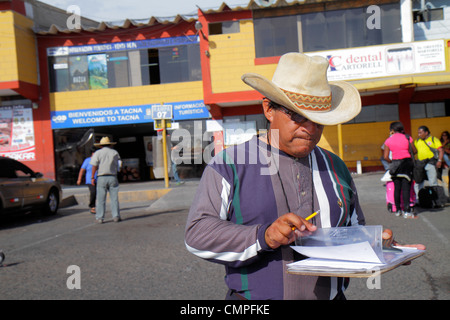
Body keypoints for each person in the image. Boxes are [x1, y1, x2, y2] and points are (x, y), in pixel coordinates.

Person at [184, 53, 425, 300]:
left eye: (319, 121)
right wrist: (264, 236)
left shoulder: (336, 167)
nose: (309, 129)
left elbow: (353, 230)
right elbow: (198, 234)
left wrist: (378, 246)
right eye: (297, 116)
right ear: (268, 108)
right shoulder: (229, 165)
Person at [383, 122, 417, 218]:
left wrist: (392, 163)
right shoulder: (407, 138)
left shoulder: (388, 140)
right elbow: (414, 151)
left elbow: (385, 157)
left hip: (395, 164)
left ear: (392, 130)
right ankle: (407, 210)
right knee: (406, 188)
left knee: (397, 188)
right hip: (407, 164)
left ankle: (398, 210)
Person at [90, 137, 122, 223]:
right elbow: (118, 165)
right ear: (110, 144)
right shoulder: (114, 152)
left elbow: (94, 166)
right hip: (112, 176)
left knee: (101, 199)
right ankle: (116, 216)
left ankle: (100, 217)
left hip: (101, 177)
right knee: (114, 198)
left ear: (100, 145)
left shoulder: (98, 153)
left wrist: (92, 177)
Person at [414, 126, 444, 192]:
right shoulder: (417, 141)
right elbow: (414, 151)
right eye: (418, 133)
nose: (419, 135)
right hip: (420, 164)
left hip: (431, 163)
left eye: (420, 133)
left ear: (426, 132)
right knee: (418, 183)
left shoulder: (434, 140)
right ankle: (419, 198)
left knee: (432, 182)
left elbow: (441, 150)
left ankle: (434, 199)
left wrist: (439, 161)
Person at [76, 147, 97, 214]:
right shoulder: (87, 160)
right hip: (90, 180)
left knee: (98, 193)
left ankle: (98, 206)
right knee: (93, 192)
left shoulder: (99, 160)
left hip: (98, 179)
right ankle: (92, 206)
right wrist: (79, 179)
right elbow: (82, 170)